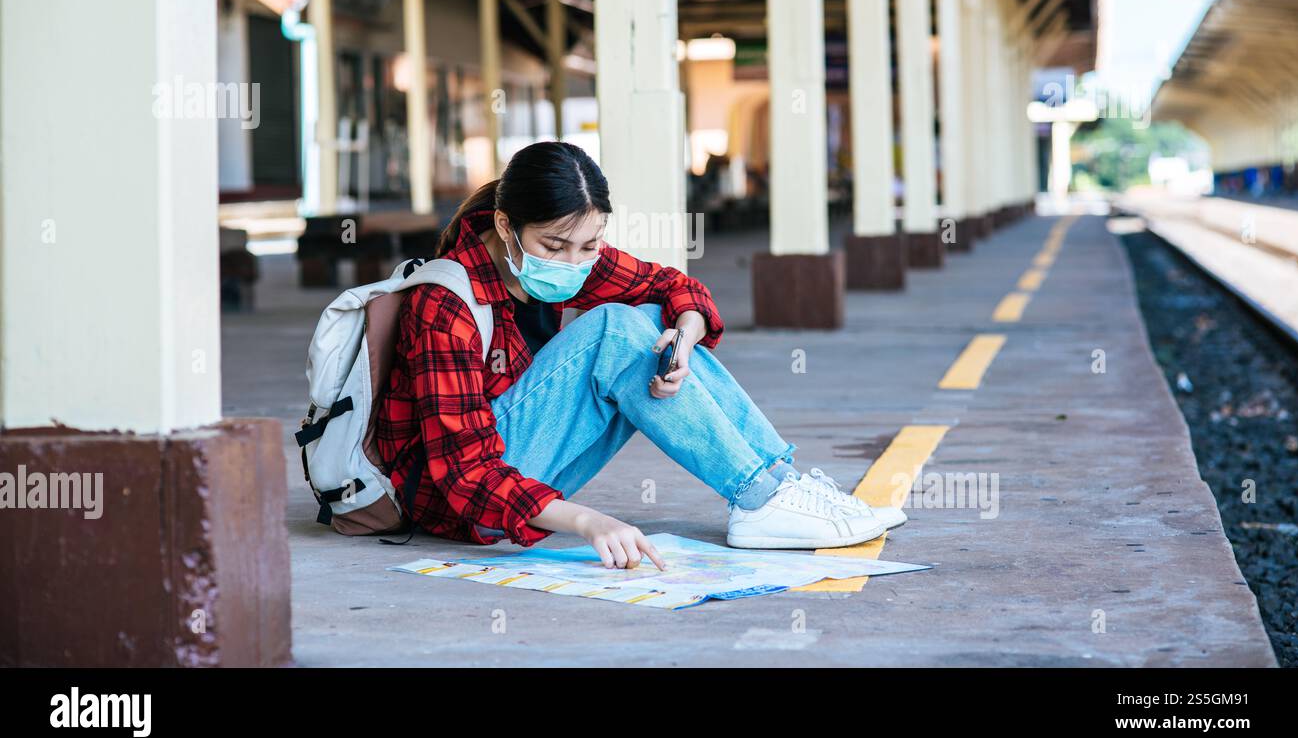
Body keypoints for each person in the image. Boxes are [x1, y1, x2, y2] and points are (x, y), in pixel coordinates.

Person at [375, 141, 905, 571]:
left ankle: (777, 485)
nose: (573, 262)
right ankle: (758, 498)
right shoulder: (446, 302)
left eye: (589, 245)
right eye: (554, 246)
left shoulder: (574, 257)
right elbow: (464, 474)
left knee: (653, 319)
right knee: (615, 329)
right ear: (506, 226)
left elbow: (672, 285)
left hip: (519, 468)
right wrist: (590, 522)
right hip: (461, 505)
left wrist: (687, 335)